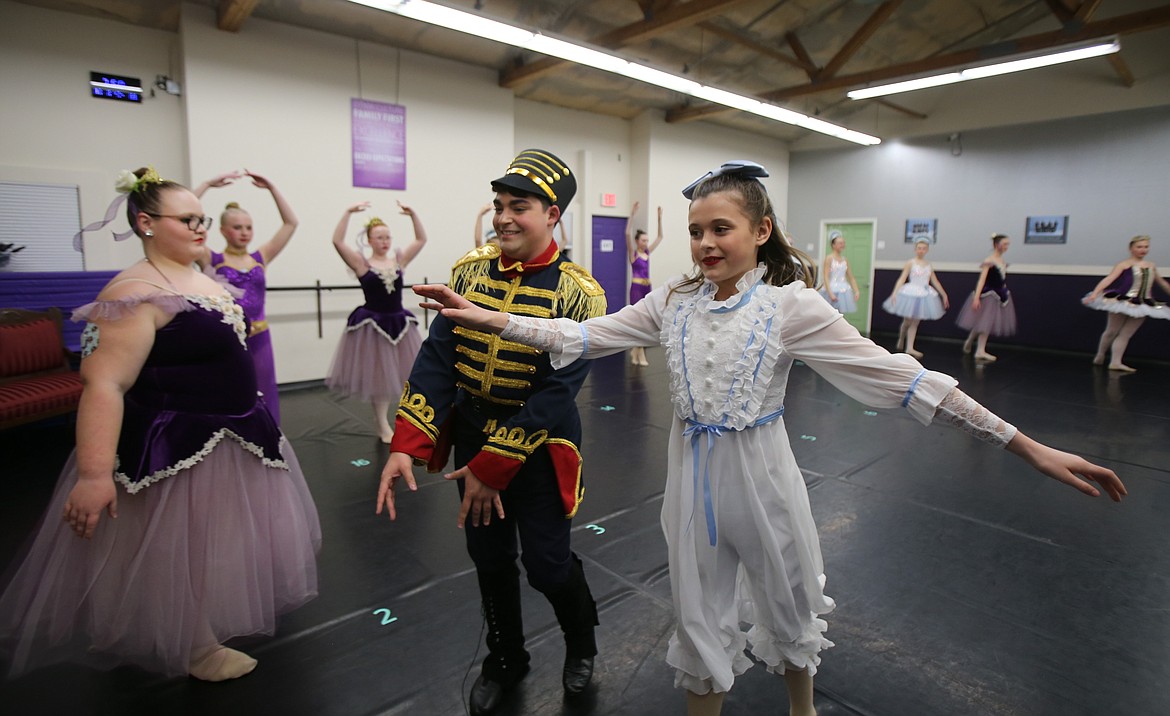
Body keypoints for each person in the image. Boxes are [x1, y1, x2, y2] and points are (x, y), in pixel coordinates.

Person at [404, 160, 1127, 716]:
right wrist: (489, 319)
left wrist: (1026, 446)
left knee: (787, 598)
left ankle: (802, 706)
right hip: (690, 473)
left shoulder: (792, 308)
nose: (706, 243)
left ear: (760, 231)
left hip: (761, 470)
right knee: (697, 606)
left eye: (721, 228)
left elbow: (901, 378)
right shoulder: (673, 303)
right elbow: (581, 334)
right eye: (697, 231)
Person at [0, 167, 321, 682]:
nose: (201, 228)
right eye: (188, 219)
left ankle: (191, 629)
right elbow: (105, 384)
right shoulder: (134, 292)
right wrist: (94, 473)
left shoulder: (199, 277)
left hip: (229, 432)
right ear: (146, 223)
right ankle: (194, 647)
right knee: (182, 548)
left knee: (209, 545)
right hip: (177, 442)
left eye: (203, 218)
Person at [376, 149, 607, 716]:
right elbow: (438, 356)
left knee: (549, 565)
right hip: (472, 437)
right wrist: (406, 444)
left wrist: (492, 467)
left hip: (541, 446)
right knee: (490, 557)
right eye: (499, 205)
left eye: (518, 207)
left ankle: (583, 644)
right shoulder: (469, 270)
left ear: (552, 215)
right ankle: (505, 660)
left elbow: (558, 391)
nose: (503, 217)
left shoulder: (581, 292)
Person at [193, 170, 298, 423]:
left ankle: (267, 438)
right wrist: (206, 184)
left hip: (260, 337)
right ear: (222, 230)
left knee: (264, 390)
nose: (244, 232)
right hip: (226, 338)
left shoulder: (261, 257)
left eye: (248, 227)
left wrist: (272, 187)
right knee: (227, 390)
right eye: (237, 227)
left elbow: (290, 223)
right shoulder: (211, 258)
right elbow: (187, 219)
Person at [325, 201, 426, 443]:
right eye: (379, 237)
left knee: (405, 376)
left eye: (387, 237)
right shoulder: (362, 263)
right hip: (373, 325)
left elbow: (421, 240)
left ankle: (400, 418)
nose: (385, 241)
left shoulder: (399, 261)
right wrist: (347, 211)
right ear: (369, 240)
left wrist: (413, 214)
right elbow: (338, 242)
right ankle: (381, 422)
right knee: (380, 377)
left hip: (398, 324)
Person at [1082, 235, 1170, 372]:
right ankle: (1100, 354)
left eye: (1146, 247)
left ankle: (1115, 362)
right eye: (1139, 247)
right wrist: (1095, 293)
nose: (1143, 250)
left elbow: (1162, 283)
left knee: (1126, 334)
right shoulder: (1124, 264)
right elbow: (1109, 279)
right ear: (1131, 248)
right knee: (1112, 331)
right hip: (1122, 300)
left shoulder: (1151, 265)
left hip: (1142, 303)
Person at [882, 237, 950, 358]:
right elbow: (902, 278)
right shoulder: (910, 263)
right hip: (910, 293)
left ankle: (910, 348)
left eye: (924, 248)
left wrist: (944, 295)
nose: (921, 250)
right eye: (919, 248)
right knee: (907, 321)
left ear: (927, 250)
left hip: (924, 295)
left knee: (915, 322)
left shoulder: (929, 265)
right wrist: (895, 292)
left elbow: (935, 281)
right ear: (915, 249)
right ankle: (901, 338)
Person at [956, 233, 1015, 362]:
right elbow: (982, 280)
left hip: (999, 293)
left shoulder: (1001, 261)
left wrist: (1004, 289)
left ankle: (969, 341)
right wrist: (976, 297)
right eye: (1004, 244)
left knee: (982, 322)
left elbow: (1001, 278)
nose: (1006, 246)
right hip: (988, 295)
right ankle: (980, 351)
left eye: (1007, 244)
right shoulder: (990, 261)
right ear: (996, 244)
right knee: (985, 323)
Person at [625, 201, 664, 366]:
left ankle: (637, 351)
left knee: (646, 319)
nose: (646, 243)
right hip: (636, 288)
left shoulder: (647, 252)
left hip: (647, 287)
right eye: (643, 240)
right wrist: (632, 214)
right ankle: (639, 353)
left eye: (647, 241)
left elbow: (660, 237)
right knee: (638, 320)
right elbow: (627, 233)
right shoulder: (633, 253)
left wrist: (659, 218)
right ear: (637, 241)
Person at [818, 231, 860, 314]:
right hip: (831, 289)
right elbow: (825, 276)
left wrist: (856, 290)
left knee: (840, 314)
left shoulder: (845, 260)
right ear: (833, 245)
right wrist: (830, 293)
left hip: (843, 290)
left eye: (843, 243)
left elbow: (851, 277)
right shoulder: (829, 258)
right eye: (840, 243)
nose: (843, 245)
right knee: (829, 314)